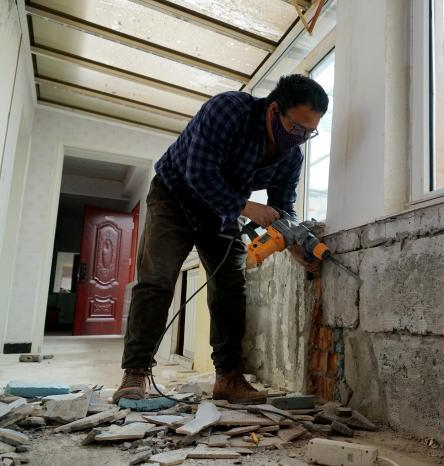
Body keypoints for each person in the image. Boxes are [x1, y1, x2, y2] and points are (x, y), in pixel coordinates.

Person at [113, 75, 329, 405]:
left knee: (230, 289)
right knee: (157, 281)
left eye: (308, 132)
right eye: (296, 128)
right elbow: (198, 174)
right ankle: (135, 372)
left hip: (222, 213)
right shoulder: (228, 110)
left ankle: (227, 377)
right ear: (274, 110)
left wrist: (293, 243)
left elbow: (283, 206)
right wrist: (246, 207)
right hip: (174, 198)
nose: (299, 138)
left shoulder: (291, 158)